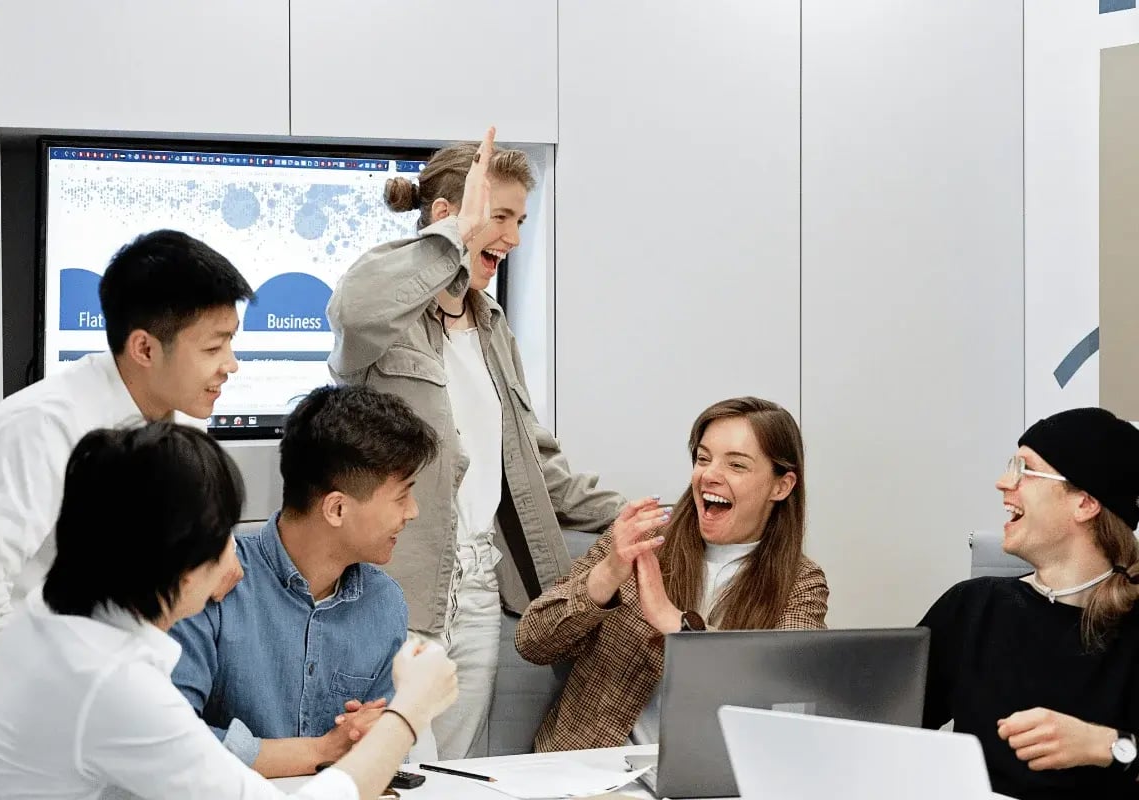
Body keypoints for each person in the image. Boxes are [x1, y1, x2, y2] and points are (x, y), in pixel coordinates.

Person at [0, 422, 457, 799]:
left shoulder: (59, 627)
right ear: (181, 559)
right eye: (223, 531)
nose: (238, 549)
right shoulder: (111, 685)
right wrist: (409, 711)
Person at [326, 127, 624, 759]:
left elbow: (536, 464)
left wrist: (635, 516)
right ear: (447, 215)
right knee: (394, 765)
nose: (513, 238)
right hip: (400, 587)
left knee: (455, 769)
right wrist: (450, 237)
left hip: (482, 588)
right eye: (500, 217)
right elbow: (353, 311)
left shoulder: (493, 327)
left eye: (520, 220)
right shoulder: (386, 323)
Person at [0, 229, 252, 748]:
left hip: (90, 661)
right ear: (144, 347)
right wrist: (47, 713)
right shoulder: (43, 427)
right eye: (214, 347)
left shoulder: (181, 421)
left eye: (231, 342)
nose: (231, 364)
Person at [516, 397, 829, 751]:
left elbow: (790, 688)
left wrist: (674, 623)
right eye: (703, 459)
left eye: (737, 465)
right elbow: (532, 642)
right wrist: (608, 573)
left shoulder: (801, 582)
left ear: (781, 486)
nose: (709, 475)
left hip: (713, 771)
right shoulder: (643, 537)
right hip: (589, 766)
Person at [170, 384, 440, 777]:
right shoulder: (214, 583)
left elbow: (384, 749)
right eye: (401, 497)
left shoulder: (384, 604)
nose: (412, 512)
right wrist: (321, 751)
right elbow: (171, 742)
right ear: (336, 509)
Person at [920, 407, 1139, 800]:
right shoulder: (972, 608)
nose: (1004, 482)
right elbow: (886, 728)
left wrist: (1103, 744)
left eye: (1025, 469)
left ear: (1085, 503)